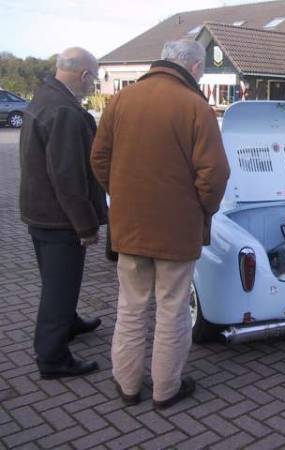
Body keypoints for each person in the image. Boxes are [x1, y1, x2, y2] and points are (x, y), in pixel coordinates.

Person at [91, 39, 230, 409]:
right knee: (172, 309)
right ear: (196, 67)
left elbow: (99, 158)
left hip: (130, 227)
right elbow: (214, 175)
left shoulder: (121, 100)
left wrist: (122, 194)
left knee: (131, 307)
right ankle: (166, 389)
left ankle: (128, 385)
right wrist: (200, 209)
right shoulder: (196, 107)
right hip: (176, 232)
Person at [19, 47, 107, 379]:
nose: (93, 86)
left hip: (39, 212)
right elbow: (69, 177)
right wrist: (86, 226)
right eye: (94, 79)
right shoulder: (65, 112)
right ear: (84, 76)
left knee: (57, 282)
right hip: (59, 219)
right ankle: (53, 357)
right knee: (59, 288)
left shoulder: (44, 98)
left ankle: (69, 323)